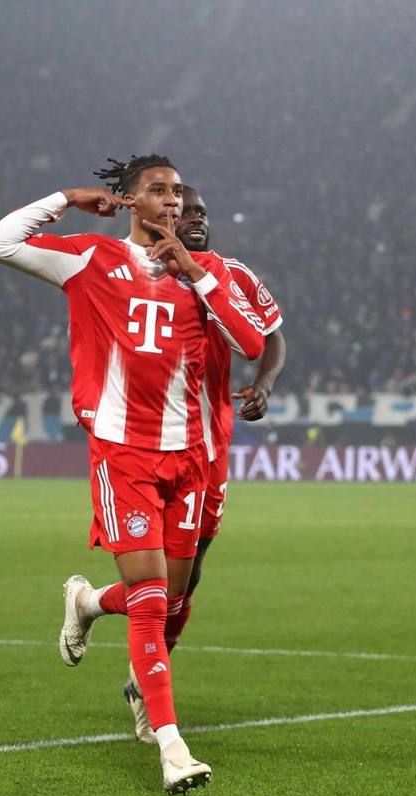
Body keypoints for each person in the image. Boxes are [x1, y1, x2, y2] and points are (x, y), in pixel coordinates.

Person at [0, 153, 265, 795]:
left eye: (177, 192)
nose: (173, 201)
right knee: (152, 601)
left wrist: (193, 271)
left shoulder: (206, 269)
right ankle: (172, 746)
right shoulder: (90, 258)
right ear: (131, 200)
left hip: (190, 458)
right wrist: (66, 198)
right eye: (158, 190)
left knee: (172, 598)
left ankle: (86, 602)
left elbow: (250, 344)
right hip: (124, 455)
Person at [123, 186, 286, 743]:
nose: (194, 218)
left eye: (202, 212)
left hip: (212, 446)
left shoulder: (230, 274)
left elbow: (271, 336)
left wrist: (264, 384)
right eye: (185, 211)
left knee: (188, 576)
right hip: (154, 445)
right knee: (160, 580)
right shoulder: (144, 274)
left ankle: (143, 670)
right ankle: (146, 683)